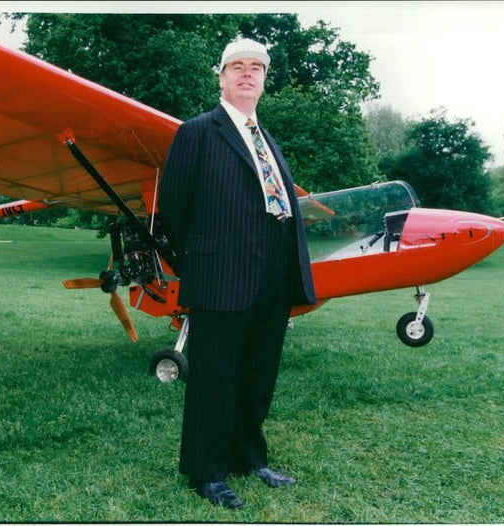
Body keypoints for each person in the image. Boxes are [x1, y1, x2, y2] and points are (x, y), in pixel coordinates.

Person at [158, 38, 317, 510]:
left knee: (257, 372)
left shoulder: (268, 139)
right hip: (221, 274)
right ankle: (206, 472)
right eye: (237, 67)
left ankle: (250, 457)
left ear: (265, 80)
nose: (247, 74)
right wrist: (204, 263)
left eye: (256, 68)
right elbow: (173, 209)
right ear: (221, 76)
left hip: (273, 272)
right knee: (215, 377)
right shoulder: (198, 132)